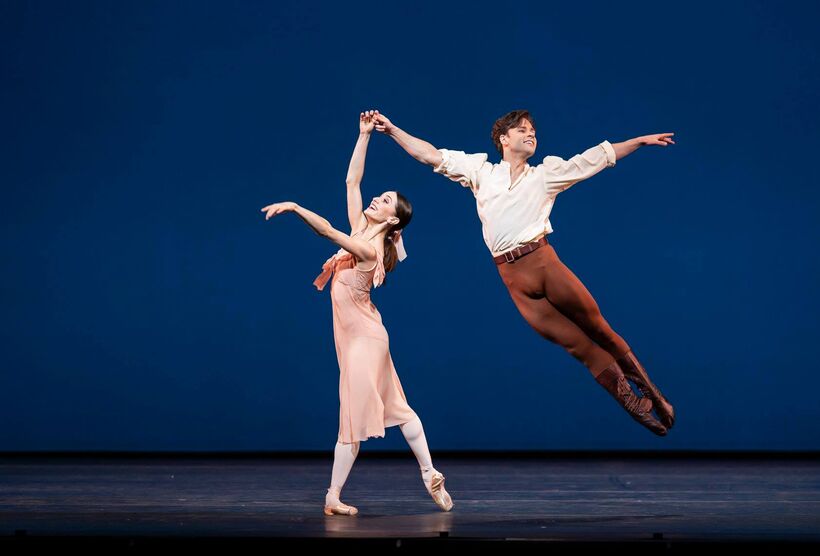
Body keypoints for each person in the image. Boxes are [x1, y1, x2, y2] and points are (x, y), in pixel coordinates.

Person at [372, 109, 675, 436]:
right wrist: (391, 131)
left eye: (533, 130)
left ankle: (654, 395)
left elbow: (595, 159)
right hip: (514, 279)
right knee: (579, 346)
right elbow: (430, 155)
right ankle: (632, 403)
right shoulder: (482, 173)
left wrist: (639, 141)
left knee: (599, 328)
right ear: (504, 139)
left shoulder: (545, 175)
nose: (531, 134)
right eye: (522, 130)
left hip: (544, 264)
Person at [260, 110, 453, 516]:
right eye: (378, 195)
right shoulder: (361, 232)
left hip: (365, 339)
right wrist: (364, 135)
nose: (375, 199)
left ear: (393, 219)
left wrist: (295, 206)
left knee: (352, 415)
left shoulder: (368, 250)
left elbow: (329, 231)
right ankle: (429, 472)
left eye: (384, 201)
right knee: (398, 409)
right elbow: (351, 181)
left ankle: (333, 495)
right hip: (360, 336)